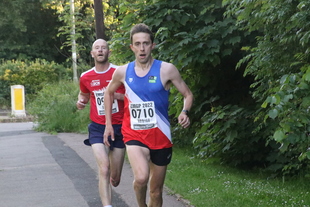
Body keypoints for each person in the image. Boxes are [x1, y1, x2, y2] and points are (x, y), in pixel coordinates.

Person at [103, 23, 194, 207]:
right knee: (142, 177)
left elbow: (188, 94)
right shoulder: (122, 71)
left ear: (152, 45)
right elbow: (108, 92)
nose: (142, 48)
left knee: (156, 191)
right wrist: (109, 124)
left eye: (145, 43)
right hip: (134, 134)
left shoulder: (166, 69)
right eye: (137, 44)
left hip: (160, 135)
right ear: (132, 47)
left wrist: (185, 112)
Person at [76, 39, 125, 207]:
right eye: (97, 48)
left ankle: (114, 177)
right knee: (104, 168)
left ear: (109, 52)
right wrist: (80, 102)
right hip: (97, 126)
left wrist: (115, 96)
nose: (100, 50)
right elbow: (83, 95)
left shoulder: (119, 72)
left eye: (104, 48)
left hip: (119, 126)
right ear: (92, 53)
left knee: (115, 178)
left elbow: (133, 96)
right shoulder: (86, 76)